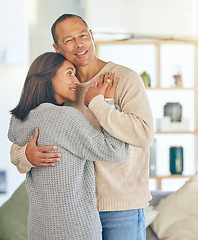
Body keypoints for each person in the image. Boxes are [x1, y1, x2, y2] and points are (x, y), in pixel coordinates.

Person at [10, 14, 154, 240]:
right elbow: (24, 134)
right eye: (68, 40)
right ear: (57, 48)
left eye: (83, 35)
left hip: (121, 207)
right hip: (76, 212)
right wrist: (25, 155)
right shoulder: (61, 88)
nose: (79, 44)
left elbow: (144, 134)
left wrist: (98, 104)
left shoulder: (124, 79)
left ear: (92, 36)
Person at [8, 52, 129, 240]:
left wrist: (22, 155)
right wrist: (106, 103)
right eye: (69, 73)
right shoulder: (63, 118)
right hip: (75, 229)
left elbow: (14, 147)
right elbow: (115, 151)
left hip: (39, 229)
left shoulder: (18, 120)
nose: (77, 82)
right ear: (48, 76)